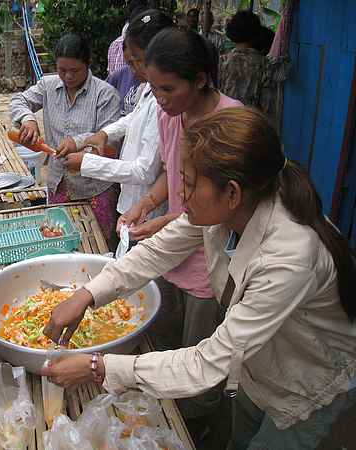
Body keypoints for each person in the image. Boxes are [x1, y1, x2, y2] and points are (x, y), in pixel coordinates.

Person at [41, 107, 356, 449]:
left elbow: (208, 362)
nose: (179, 196)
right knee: (241, 434)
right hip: (260, 360)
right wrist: (86, 295)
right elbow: (156, 252)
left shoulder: (289, 258)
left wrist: (97, 366)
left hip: (307, 378)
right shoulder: (229, 209)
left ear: (232, 193)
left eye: (189, 185)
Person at [114, 27, 243, 442]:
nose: (159, 97)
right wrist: (148, 203)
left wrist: (163, 223)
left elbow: (220, 208)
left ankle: (193, 424)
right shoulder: (170, 111)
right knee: (164, 335)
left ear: (200, 80)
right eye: (152, 86)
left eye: (167, 88)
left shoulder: (230, 124)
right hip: (174, 245)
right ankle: (166, 412)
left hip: (208, 256)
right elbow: (173, 171)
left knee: (199, 352)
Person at [64, 10, 175, 236]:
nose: (133, 71)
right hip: (131, 201)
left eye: (137, 62)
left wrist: (88, 163)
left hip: (148, 211)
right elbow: (132, 118)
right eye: (130, 63)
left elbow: (145, 171)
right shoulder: (147, 91)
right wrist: (104, 134)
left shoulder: (163, 103)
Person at [9, 34, 121, 249]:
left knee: (98, 245)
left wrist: (77, 142)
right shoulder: (48, 86)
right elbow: (18, 101)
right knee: (59, 241)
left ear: (88, 64)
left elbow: (110, 137)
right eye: (62, 70)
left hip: (94, 185)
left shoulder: (105, 94)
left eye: (75, 70)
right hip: (58, 182)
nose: (68, 76)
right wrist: (28, 119)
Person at [218, 11, 273, 114]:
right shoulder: (264, 65)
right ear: (256, 34)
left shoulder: (222, 62)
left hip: (223, 120)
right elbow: (266, 104)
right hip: (249, 122)